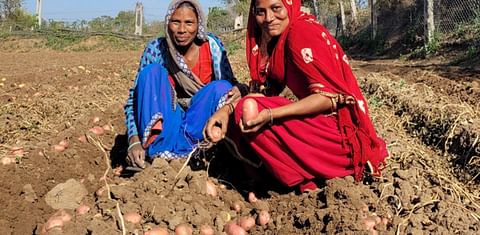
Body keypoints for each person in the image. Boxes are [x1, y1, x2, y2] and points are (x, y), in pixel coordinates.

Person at [204, 0, 388, 192]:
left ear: (290, 5)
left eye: (276, 9)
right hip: (324, 131)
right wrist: (226, 110)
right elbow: (265, 92)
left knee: (249, 110)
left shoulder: (300, 33)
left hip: (341, 140)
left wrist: (270, 114)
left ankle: (293, 178)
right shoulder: (280, 38)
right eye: (260, 12)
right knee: (244, 111)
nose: (268, 19)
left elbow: (329, 97)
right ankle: (276, 178)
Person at [124, 0, 244, 169]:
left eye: (189, 23)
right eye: (175, 22)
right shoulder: (156, 49)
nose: (181, 30)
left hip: (198, 121)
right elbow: (134, 101)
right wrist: (133, 141)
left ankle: (198, 151)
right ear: (168, 23)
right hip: (168, 122)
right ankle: (159, 153)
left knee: (222, 87)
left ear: (199, 25)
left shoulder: (212, 47)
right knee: (151, 72)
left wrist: (242, 89)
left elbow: (231, 88)